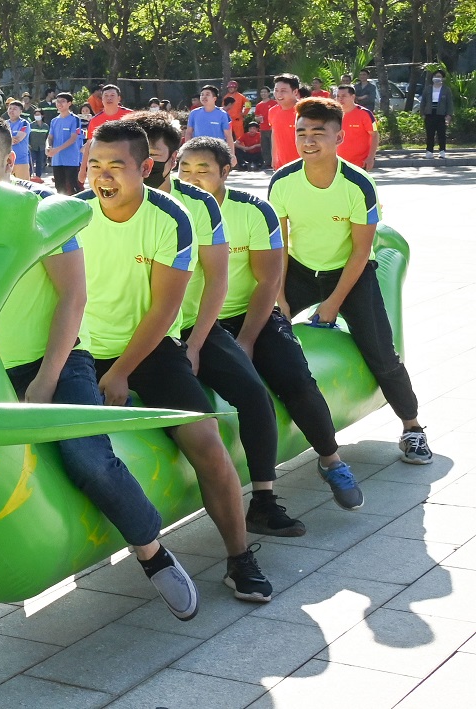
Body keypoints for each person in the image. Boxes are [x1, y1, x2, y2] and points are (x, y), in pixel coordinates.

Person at [0, 113, 200, 620]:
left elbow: (72, 297)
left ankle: (152, 553)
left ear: (9, 161)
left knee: (89, 459)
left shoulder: (44, 211)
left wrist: (46, 380)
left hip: (57, 363)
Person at [77, 118, 273, 602]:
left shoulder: (172, 217)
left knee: (207, 442)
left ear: (146, 168)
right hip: (79, 349)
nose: (103, 175)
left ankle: (240, 558)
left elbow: (166, 308)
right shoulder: (71, 214)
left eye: (116, 165)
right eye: (95, 164)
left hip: (151, 350)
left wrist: (121, 372)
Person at [136, 110, 315, 536]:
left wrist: (197, 343)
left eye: (152, 156)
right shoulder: (98, 204)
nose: (142, 165)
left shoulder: (197, 205)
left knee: (253, 394)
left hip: (189, 325)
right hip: (127, 331)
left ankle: (264, 500)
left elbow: (217, 279)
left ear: (171, 158)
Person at [179, 136, 364, 527]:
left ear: (225, 171)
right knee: (250, 393)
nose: (192, 178)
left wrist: (247, 339)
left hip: (252, 314)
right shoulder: (171, 211)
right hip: (195, 323)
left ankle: (331, 460)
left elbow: (268, 280)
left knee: (295, 378)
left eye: (203, 170)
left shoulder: (252, 210)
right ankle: (263, 498)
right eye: (185, 169)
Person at [268, 97, 433, 465]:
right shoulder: (282, 181)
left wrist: (332, 304)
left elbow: (361, 251)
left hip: (351, 274)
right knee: (257, 329)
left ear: (339, 137)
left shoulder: (358, 183)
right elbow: (278, 246)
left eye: (318, 133)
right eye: (301, 133)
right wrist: (278, 296)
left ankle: (413, 428)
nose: (308, 140)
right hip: (299, 270)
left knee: (383, 355)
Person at [78, 84, 133, 185]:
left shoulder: (131, 116)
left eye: (112, 95)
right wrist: (83, 169)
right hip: (104, 164)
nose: (109, 98)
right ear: (102, 99)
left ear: (119, 98)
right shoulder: (95, 121)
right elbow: (89, 144)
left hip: (126, 163)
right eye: (106, 96)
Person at [184, 85, 236, 166]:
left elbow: (228, 136)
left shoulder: (222, 114)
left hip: (217, 152)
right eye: (202, 94)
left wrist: (232, 155)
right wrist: (187, 150)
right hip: (198, 150)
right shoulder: (194, 113)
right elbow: (188, 133)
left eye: (207, 94)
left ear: (214, 98)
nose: (204, 97)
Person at [47, 92, 85, 195]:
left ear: (69, 103)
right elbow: (50, 137)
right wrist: (48, 147)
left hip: (71, 160)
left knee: (72, 187)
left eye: (63, 101)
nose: (59, 104)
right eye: (58, 101)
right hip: (57, 160)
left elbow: (73, 138)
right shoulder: (54, 121)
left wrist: (57, 149)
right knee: (60, 188)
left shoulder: (75, 119)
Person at [335, 85, 378, 170]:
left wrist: (370, 158)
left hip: (359, 163)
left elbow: (375, 135)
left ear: (353, 97)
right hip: (337, 163)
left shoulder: (365, 114)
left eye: (343, 96)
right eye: (338, 96)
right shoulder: (333, 114)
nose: (340, 99)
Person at [268, 74, 300, 170]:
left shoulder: (304, 111)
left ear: (295, 92)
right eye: (276, 90)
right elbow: (274, 134)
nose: (279, 94)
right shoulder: (272, 111)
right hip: (281, 166)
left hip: (303, 166)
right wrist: (274, 158)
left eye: (283, 91)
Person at [419, 70, 453, 159]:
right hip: (430, 114)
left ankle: (442, 151)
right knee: (430, 134)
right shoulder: (428, 89)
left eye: (439, 76)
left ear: (443, 78)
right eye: (435, 76)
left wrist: (449, 115)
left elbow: (449, 103)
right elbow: (423, 102)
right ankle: (429, 151)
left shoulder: (446, 90)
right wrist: (422, 113)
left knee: (441, 134)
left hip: (441, 114)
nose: (437, 78)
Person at [6, 100, 31, 180]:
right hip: (6, 161)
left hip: (21, 160)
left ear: (20, 111)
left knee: (22, 185)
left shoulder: (24, 123)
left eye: (15, 109)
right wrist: (10, 138)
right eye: (10, 108)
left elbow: (16, 140)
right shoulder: (4, 124)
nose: (11, 111)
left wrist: (5, 139)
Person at [252, 87, 276, 166]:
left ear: (268, 93)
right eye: (262, 92)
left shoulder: (274, 103)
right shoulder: (259, 105)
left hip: (272, 128)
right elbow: (256, 117)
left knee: (273, 145)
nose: (263, 94)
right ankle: (267, 162)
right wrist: (258, 118)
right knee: (265, 146)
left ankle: (274, 162)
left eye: (265, 92)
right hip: (263, 128)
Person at [28, 109, 49, 182]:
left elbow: (47, 137)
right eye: (35, 115)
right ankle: (28, 177)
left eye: (38, 114)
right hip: (32, 147)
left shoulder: (46, 126)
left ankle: (38, 177)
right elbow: (27, 135)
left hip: (42, 147)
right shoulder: (31, 125)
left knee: (40, 163)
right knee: (31, 163)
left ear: (42, 116)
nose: (37, 116)